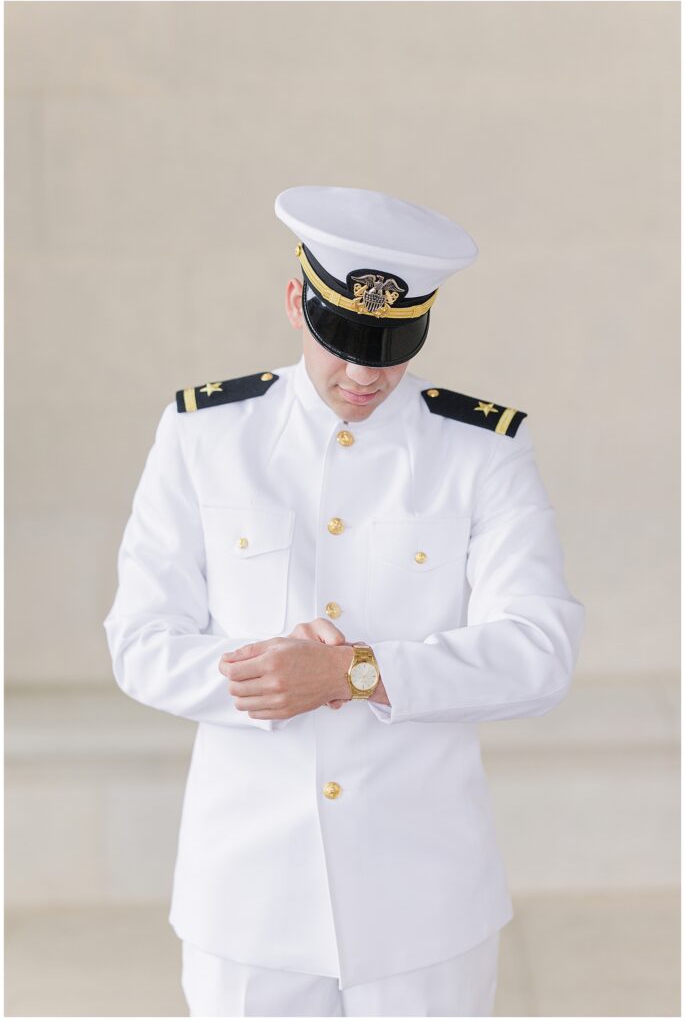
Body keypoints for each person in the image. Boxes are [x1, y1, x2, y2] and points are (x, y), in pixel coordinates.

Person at [104, 185, 584, 1017]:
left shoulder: (481, 450)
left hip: (425, 903)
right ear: (296, 302)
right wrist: (274, 678)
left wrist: (351, 673)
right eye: (346, 341)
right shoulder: (203, 434)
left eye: (391, 347)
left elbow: (538, 650)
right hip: (247, 901)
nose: (367, 374)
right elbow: (140, 640)